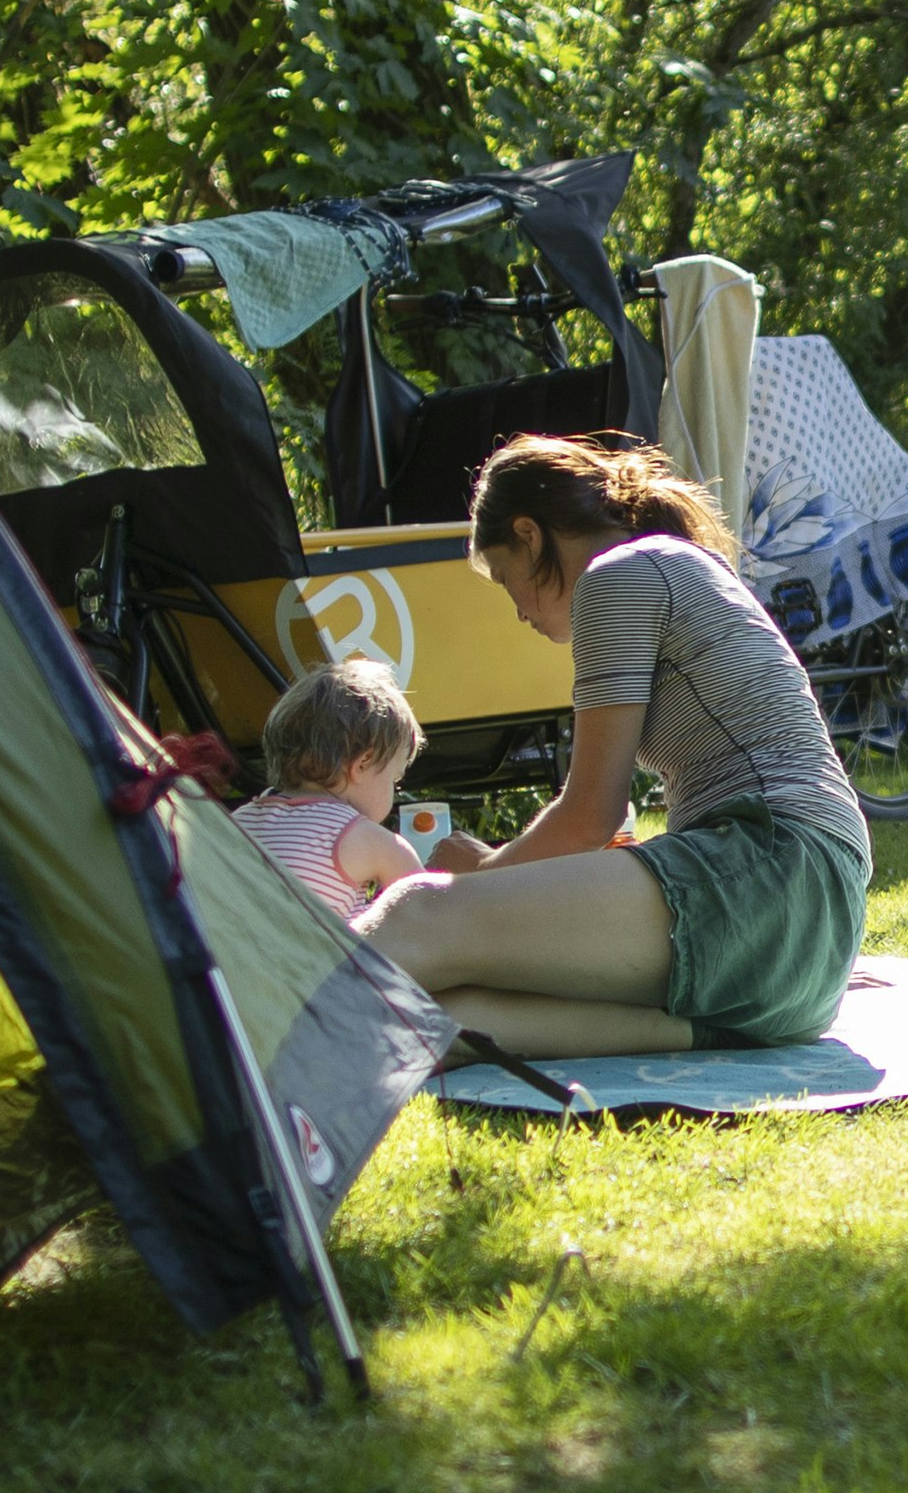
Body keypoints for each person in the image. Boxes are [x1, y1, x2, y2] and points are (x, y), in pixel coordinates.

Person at [363, 434, 868, 1055]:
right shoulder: (674, 563)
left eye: (505, 580)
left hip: (772, 872)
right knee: (449, 1019)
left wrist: (481, 872)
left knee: (419, 913)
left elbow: (589, 818)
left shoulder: (618, 576)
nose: (517, 610)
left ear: (529, 534)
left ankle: (244, 1020)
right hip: (807, 960)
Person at [230, 657, 432, 925]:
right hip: (316, 965)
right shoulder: (368, 841)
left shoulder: (237, 821)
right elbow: (430, 921)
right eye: (394, 780)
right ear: (363, 763)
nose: (394, 790)